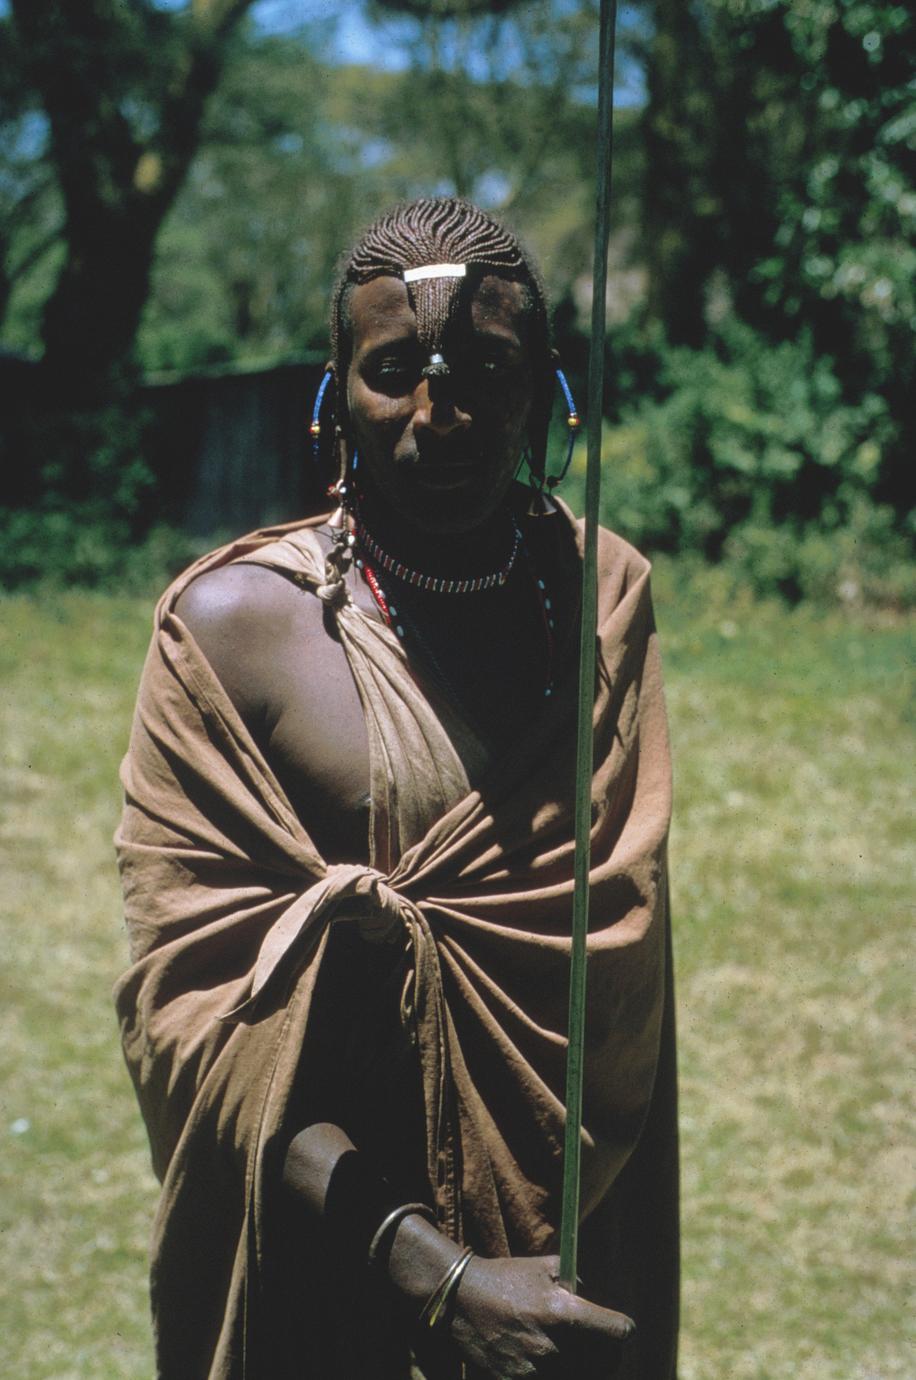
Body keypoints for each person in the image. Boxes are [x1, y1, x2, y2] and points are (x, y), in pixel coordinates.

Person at [115, 197, 678, 1380]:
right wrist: (433, 1270)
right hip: (330, 1257)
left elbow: (617, 974)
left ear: (548, 394)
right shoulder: (231, 629)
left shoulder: (599, 597)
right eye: (392, 372)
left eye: (487, 370)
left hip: (572, 1244)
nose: (440, 412)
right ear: (333, 399)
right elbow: (196, 1024)